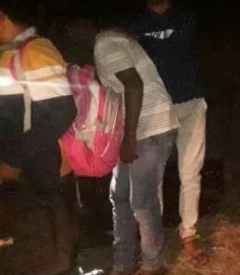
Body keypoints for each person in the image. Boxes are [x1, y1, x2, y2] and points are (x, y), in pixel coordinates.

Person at [67, 15, 179, 275]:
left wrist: (129, 137)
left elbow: (134, 85)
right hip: (142, 126)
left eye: (71, 28)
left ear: (83, 25)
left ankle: (153, 266)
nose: (71, 35)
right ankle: (124, 264)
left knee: (141, 199)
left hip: (149, 127)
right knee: (120, 197)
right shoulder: (110, 42)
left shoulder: (104, 44)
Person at [123, 0, 208, 263]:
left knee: (190, 172)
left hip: (190, 101)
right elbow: (133, 59)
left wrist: (145, 45)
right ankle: (153, 242)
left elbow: (179, 49)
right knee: (152, 177)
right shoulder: (132, 21)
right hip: (153, 107)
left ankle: (189, 234)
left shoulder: (186, 16)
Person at [0, 0, 79, 275]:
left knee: (50, 245)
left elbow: (60, 113)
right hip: (21, 166)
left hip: (42, 165)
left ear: (3, 18)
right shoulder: (7, 53)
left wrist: (12, 159)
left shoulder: (36, 51)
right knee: (25, 242)